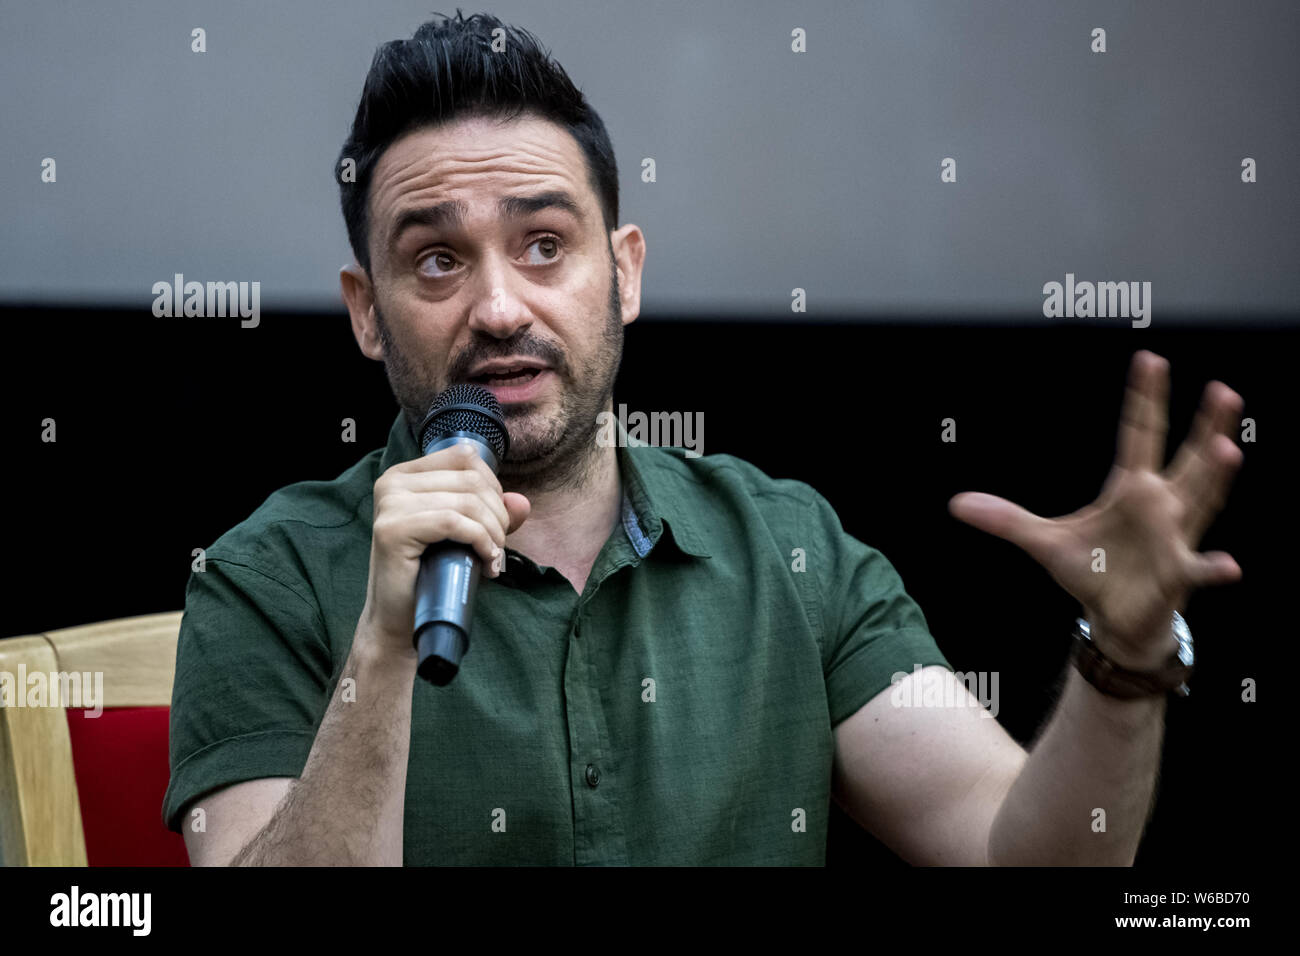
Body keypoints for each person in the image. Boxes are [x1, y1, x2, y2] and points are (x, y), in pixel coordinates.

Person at [164, 12, 1245, 866]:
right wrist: (385, 645)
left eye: (544, 244)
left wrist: (1126, 654)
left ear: (623, 271)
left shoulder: (789, 548)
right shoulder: (268, 575)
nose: (498, 306)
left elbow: (1034, 855)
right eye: (437, 262)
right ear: (366, 309)